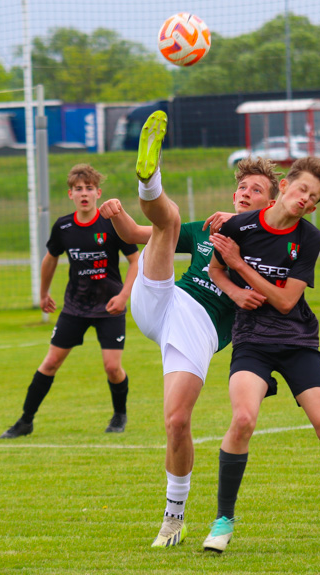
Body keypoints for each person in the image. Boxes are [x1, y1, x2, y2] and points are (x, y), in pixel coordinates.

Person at [99, 111, 275, 548]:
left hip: (199, 330)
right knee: (169, 220)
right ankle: (149, 177)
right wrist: (117, 214)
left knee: (177, 422)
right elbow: (141, 232)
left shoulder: (270, 245)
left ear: (270, 202)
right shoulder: (208, 228)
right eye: (242, 187)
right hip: (163, 302)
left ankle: (173, 518)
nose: (246, 193)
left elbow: (271, 297)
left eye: (257, 190)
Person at [203, 156, 320, 553]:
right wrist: (233, 290)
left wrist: (240, 266)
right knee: (244, 418)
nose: (305, 199)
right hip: (251, 340)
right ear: (284, 187)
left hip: (297, 340)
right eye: (301, 189)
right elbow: (217, 270)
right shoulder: (238, 226)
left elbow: (285, 301)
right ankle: (222, 522)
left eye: (313, 197)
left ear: (315, 207)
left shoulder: (310, 238)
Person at [0, 164, 140, 438]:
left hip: (110, 306)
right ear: (70, 194)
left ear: (98, 193)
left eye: (89, 188)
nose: (84, 194)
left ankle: (119, 415)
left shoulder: (112, 224)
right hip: (75, 307)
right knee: (50, 362)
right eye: (79, 189)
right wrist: (43, 293)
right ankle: (25, 421)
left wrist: (124, 296)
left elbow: (136, 261)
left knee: (112, 367)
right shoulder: (63, 226)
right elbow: (50, 258)